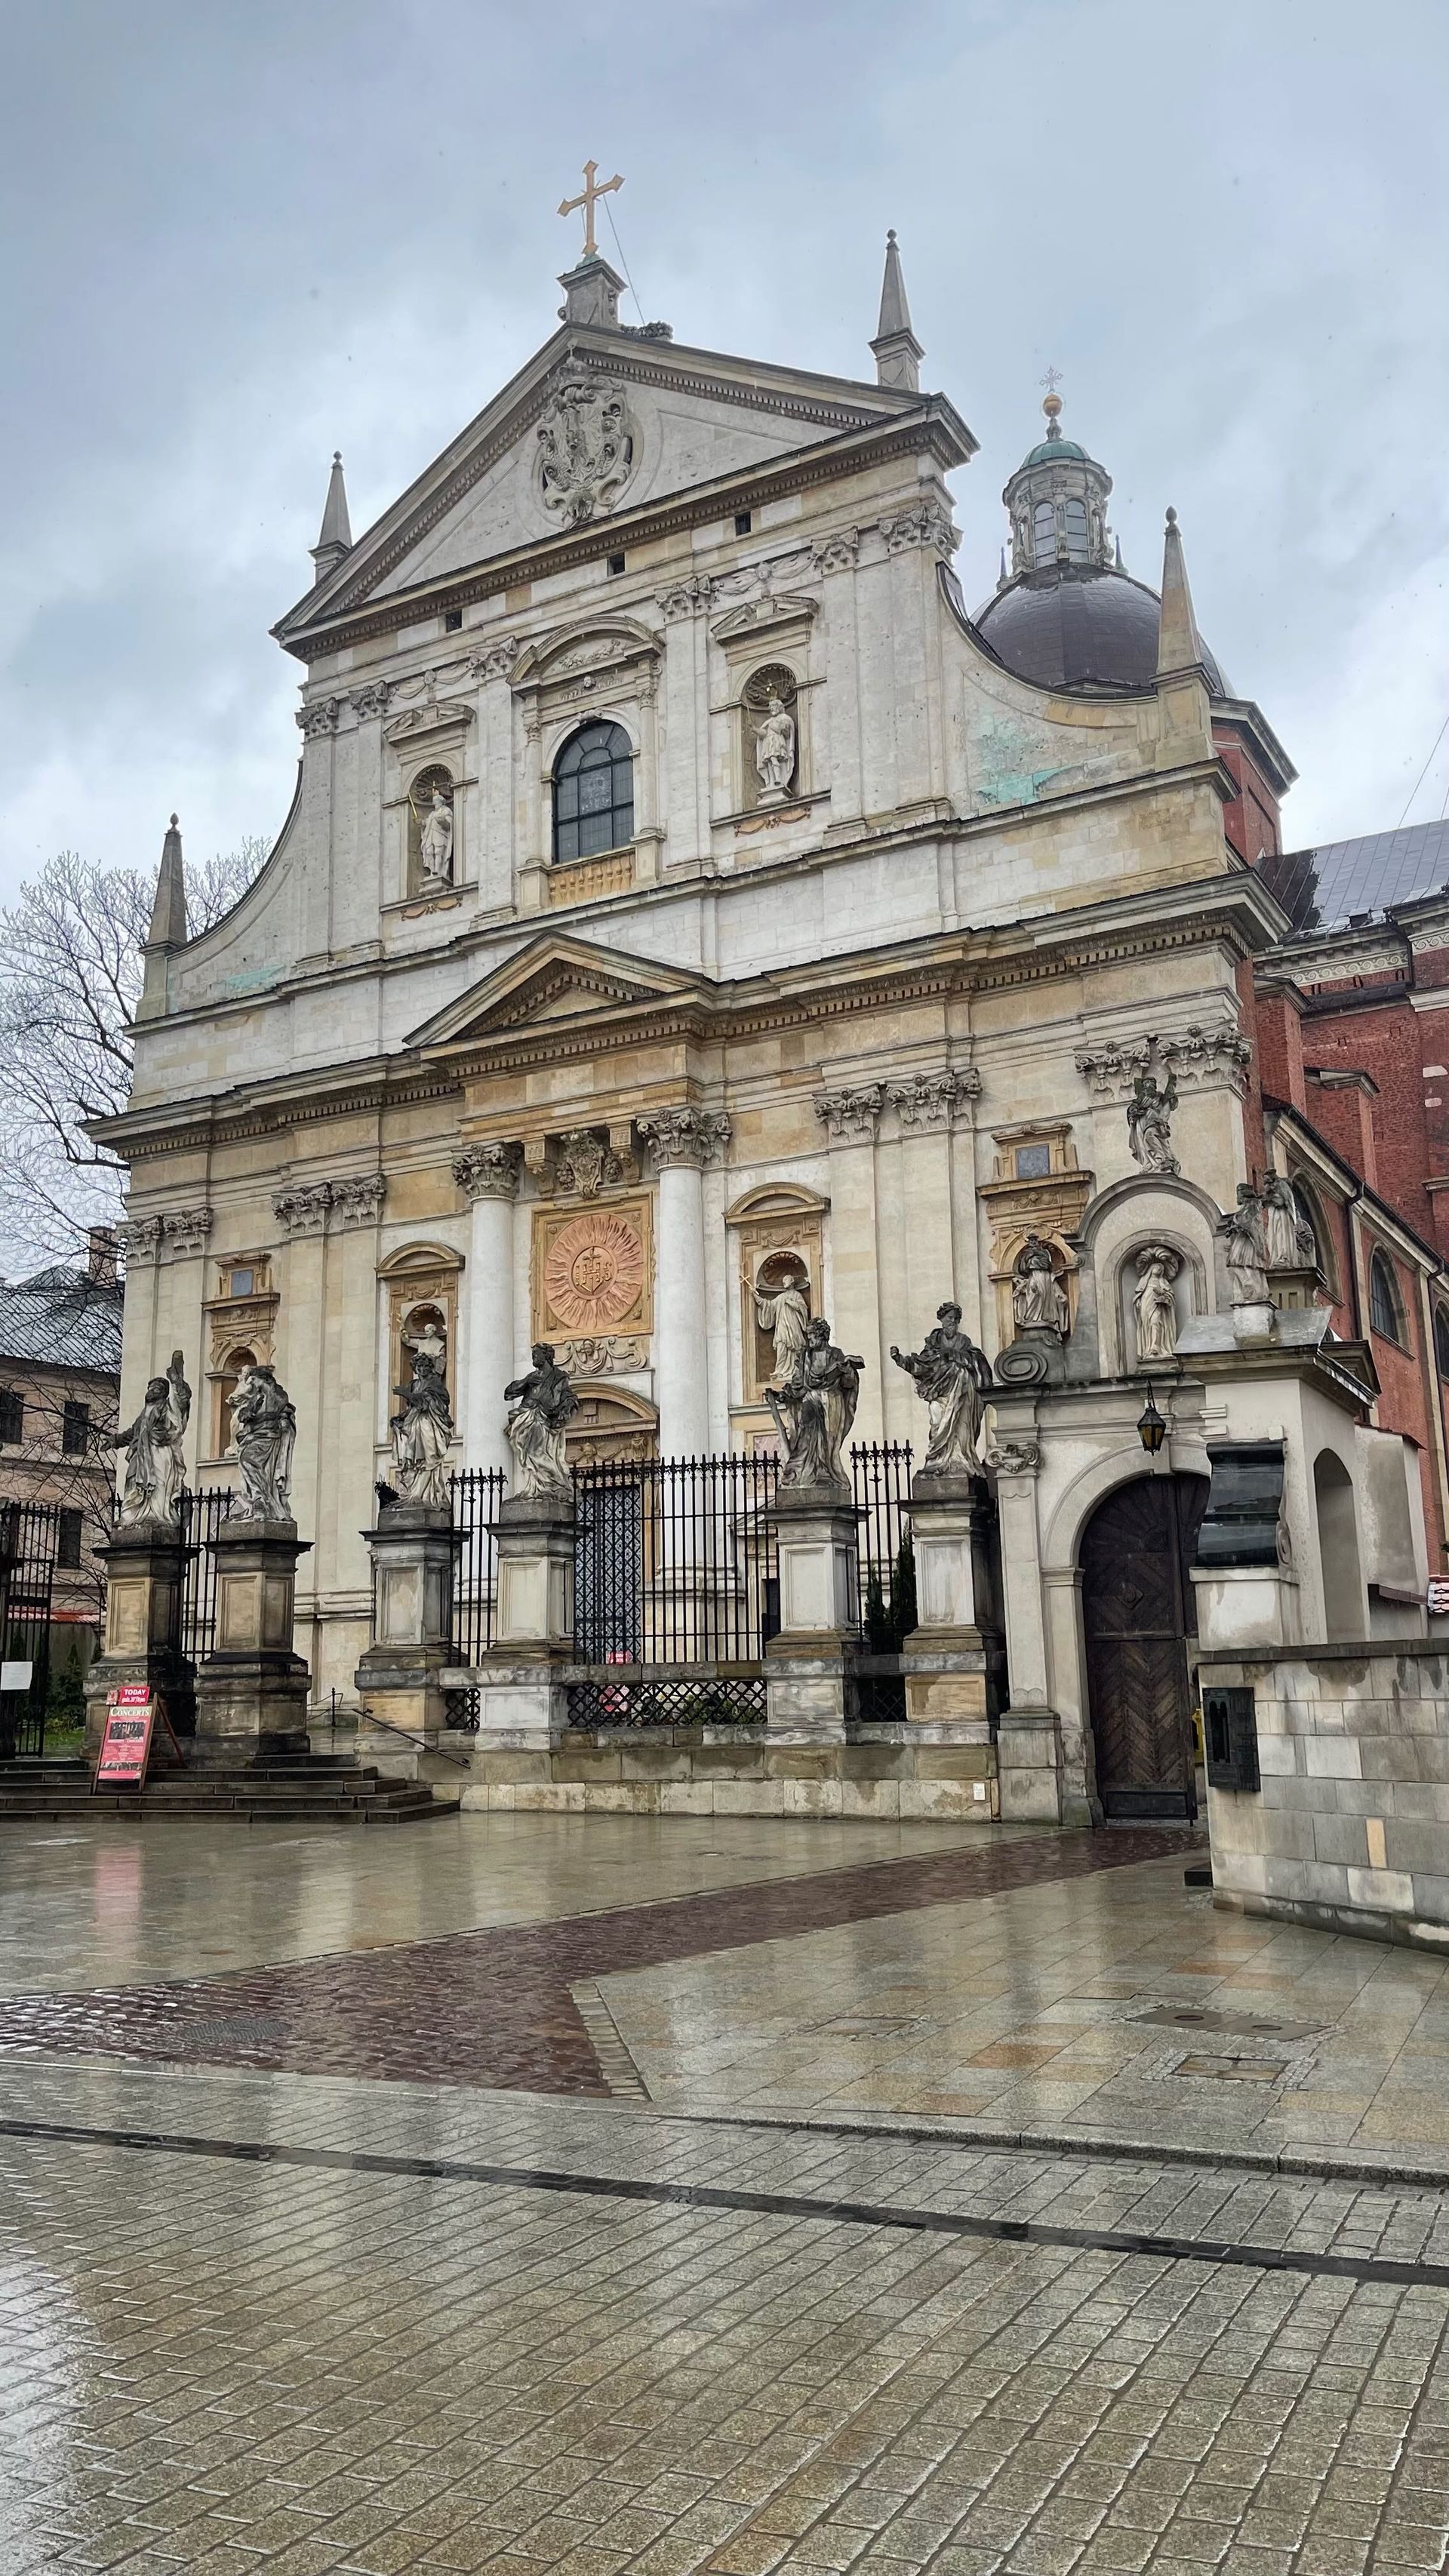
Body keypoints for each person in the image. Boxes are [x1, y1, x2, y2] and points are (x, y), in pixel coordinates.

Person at [891, 1300, 993, 1475]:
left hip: (962, 1395)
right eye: (949, 1318)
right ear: (942, 1320)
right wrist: (900, 1360)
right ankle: (938, 1460)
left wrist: (956, 1357)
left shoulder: (964, 1342)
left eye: (955, 1319)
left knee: (962, 1430)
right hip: (939, 1393)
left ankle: (959, 1461)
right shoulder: (933, 1344)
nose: (952, 1322)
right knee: (937, 1423)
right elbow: (921, 1365)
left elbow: (978, 1362)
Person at [768, 1317, 863, 1491]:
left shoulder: (836, 1354)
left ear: (821, 1335)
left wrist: (848, 1372)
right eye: (808, 1334)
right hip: (810, 1401)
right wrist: (783, 1395)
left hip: (831, 1402)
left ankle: (825, 1472)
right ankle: (803, 1472)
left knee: (828, 1441)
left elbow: (847, 1384)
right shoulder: (806, 1356)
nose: (809, 1338)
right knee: (805, 1435)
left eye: (812, 1334)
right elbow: (798, 1383)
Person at [112, 1350, 190, 1525]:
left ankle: (157, 1516)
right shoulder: (145, 1412)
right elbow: (134, 1432)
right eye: (150, 1388)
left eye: (156, 1388)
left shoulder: (167, 1407)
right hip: (141, 1455)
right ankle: (132, 1517)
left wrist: (176, 1380)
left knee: (160, 1485)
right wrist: (115, 1440)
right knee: (132, 1483)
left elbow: (182, 1401)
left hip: (160, 1452)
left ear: (163, 1392)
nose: (151, 1391)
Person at [504, 1344, 578, 1502]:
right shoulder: (532, 1377)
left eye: (536, 1354)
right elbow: (509, 1393)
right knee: (528, 1452)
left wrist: (567, 1406)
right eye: (532, 1355)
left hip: (543, 1417)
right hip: (526, 1416)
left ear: (546, 1356)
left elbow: (567, 1396)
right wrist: (526, 1380)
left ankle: (552, 1484)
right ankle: (536, 1487)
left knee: (537, 1452)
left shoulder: (559, 1376)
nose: (533, 1358)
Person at [229, 1363, 297, 1520]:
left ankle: (261, 1500)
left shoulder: (278, 1395)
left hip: (270, 1436)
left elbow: (285, 1410)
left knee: (248, 1461)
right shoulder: (256, 1398)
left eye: (253, 1379)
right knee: (247, 1461)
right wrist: (248, 1414)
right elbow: (243, 1414)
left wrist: (284, 1420)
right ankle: (260, 1502)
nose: (251, 1383)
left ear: (262, 1379)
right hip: (254, 1435)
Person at [390, 1352, 454, 1508]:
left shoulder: (435, 1383)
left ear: (430, 1367)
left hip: (428, 1424)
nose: (423, 1369)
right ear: (415, 1368)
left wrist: (408, 1395)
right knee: (415, 1462)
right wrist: (400, 1418)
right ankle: (414, 1493)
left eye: (426, 1366)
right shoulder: (414, 1384)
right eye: (419, 1366)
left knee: (430, 1457)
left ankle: (420, 1495)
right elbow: (412, 1407)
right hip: (414, 1424)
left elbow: (433, 1402)